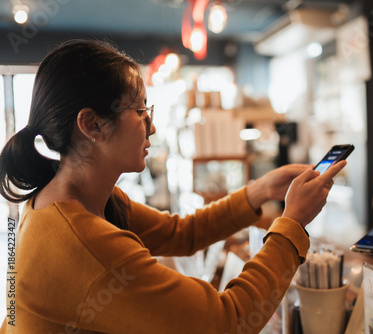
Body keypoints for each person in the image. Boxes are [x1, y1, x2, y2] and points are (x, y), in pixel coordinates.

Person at [0, 40, 346, 333]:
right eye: (139, 112)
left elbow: (181, 234)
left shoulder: (72, 199)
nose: (151, 128)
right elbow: (230, 321)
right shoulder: (81, 240)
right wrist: (292, 223)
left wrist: (259, 191)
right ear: (92, 124)